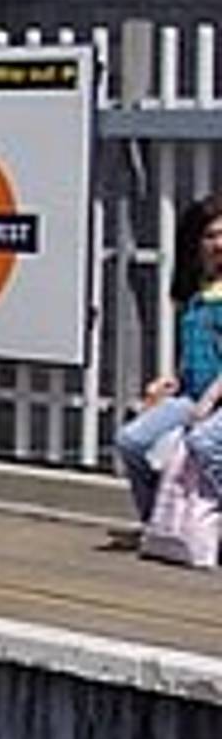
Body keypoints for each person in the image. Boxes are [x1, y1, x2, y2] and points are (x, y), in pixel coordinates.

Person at [115, 193, 222, 520]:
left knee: (204, 443)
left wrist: (209, 400)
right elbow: (194, 348)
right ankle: (158, 520)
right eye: (210, 235)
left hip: (215, 398)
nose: (219, 243)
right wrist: (169, 382)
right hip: (193, 394)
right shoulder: (194, 290)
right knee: (131, 440)